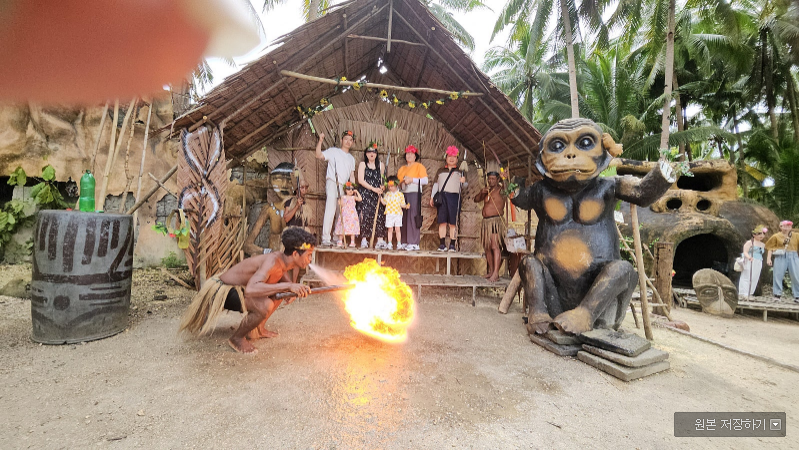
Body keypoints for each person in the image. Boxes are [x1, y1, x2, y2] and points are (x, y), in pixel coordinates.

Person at [179, 227, 315, 354]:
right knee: (265, 305)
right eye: (309, 255)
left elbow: (282, 280)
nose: (310, 260)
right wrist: (289, 286)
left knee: (280, 293)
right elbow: (251, 289)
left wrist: (291, 289)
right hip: (223, 290)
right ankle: (236, 338)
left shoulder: (283, 261)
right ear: (296, 254)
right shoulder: (272, 262)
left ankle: (258, 329)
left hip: (240, 288)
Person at [316, 131, 356, 247]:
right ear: (341, 140)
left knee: (341, 212)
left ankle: (336, 237)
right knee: (331, 208)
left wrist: (352, 189)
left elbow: (352, 176)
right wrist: (320, 141)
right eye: (346, 139)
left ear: (352, 143)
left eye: (350, 140)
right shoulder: (333, 151)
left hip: (344, 186)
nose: (348, 141)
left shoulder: (351, 159)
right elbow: (318, 155)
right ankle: (325, 238)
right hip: (333, 182)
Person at [430, 146, 467, 252]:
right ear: (446, 158)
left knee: (453, 222)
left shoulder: (461, 171)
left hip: (454, 197)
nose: (451, 158)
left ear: (457, 159)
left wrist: (464, 181)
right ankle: (442, 244)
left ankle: (451, 244)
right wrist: (432, 197)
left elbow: (465, 186)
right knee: (442, 222)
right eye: (449, 156)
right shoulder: (440, 170)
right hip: (442, 197)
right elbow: (436, 185)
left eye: (454, 157)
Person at [474, 169, 508, 282]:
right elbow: (476, 199)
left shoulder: (501, 189)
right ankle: (491, 271)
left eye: (493, 179)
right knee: (487, 247)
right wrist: (482, 192)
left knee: (494, 246)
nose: (490, 181)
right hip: (486, 223)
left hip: (495, 222)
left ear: (498, 179)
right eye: (489, 179)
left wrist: (505, 178)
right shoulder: (487, 190)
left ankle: (496, 273)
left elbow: (507, 188)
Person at [357, 141, 388, 249]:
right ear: (366, 154)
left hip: (377, 194)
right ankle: (364, 239)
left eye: (374, 151)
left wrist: (382, 187)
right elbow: (360, 180)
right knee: (365, 215)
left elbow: (382, 180)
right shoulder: (362, 164)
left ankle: (380, 240)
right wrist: (372, 189)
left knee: (379, 215)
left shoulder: (381, 165)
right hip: (365, 193)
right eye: (369, 151)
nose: (372, 153)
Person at [397, 145, 428, 251]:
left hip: (414, 192)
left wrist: (412, 180)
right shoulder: (402, 169)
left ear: (415, 156)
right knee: (403, 216)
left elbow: (425, 181)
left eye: (411, 154)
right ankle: (405, 241)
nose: (409, 156)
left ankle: (414, 242)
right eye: (407, 154)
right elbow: (398, 182)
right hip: (403, 193)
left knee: (413, 215)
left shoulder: (419, 166)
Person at [765, 220, 799, 300]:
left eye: (788, 226)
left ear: (791, 227)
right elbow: (770, 248)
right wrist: (768, 258)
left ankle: (797, 295)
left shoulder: (796, 235)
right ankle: (777, 294)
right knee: (778, 274)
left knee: (796, 275)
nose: (786, 228)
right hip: (780, 256)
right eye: (784, 226)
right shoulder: (776, 236)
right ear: (780, 227)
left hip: (793, 256)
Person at [381, 176, 410, 250]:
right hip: (389, 214)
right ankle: (389, 243)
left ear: (396, 185)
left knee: (398, 229)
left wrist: (406, 206)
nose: (390, 188)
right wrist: (380, 195)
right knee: (390, 229)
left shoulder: (400, 195)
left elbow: (402, 204)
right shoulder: (387, 194)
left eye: (391, 186)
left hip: (397, 214)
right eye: (389, 186)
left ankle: (399, 243)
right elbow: (384, 203)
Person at [738, 225, 768, 297]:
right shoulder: (749, 242)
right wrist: (749, 257)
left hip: (758, 261)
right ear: (754, 234)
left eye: (763, 234)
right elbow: (745, 251)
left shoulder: (762, 244)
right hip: (749, 260)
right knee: (747, 276)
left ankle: (750, 292)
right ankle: (743, 292)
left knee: (755, 277)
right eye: (759, 233)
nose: (762, 235)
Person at [334, 182, 362, 248]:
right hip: (345, 215)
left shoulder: (353, 197)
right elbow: (340, 204)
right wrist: (340, 201)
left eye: (352, 189)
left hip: (352, 215)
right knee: (342, 226)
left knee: (352, 228)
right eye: (349, 189)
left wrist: (357, 192)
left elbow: (360, 199)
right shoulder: (343, 197)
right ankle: (340, 240)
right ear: (345, 190)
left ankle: (352, 242)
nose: (351, 190)